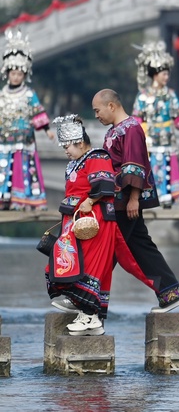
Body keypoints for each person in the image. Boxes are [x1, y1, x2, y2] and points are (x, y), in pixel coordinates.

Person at [92, 89, 179, 312]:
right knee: (140, 247)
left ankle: (86, 296)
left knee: (108, 249)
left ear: (111, 106)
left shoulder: (131, 128)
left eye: (98, 110)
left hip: (124, 201)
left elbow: (135, 164)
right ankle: (171, 292)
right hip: (117, 199)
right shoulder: (116, 130)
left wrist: (134, 198)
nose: (96, 115)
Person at [46, 115, 120, 336]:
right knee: (69, 263)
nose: (65, 151)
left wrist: (90, 200)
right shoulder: (76, 162)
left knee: (88, 266)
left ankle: (90, 316)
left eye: (67, 145)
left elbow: (105, 183)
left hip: (93, 221)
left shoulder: (96, 157)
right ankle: (85, 312)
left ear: (79, 142)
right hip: (75, 221)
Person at [132, 41, 179, 208]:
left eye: (167, 74)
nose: (166, 77)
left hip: (167, 136)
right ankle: (151, 197)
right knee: (151, 167)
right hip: (150, 138)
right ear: (155, 74)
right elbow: (137, 118)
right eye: (164, 74)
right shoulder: (143, 96)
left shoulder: (170, 95)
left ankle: (167, 198)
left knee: (167, 167)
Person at [0, 29, 54, 210]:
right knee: (3, 169)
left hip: (24, 140)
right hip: (4, 140)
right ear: (7, 73)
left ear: (24, 74)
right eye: (13, 73)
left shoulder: (29, 94)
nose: (15, 76)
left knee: (23, 170)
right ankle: (4, 200)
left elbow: (38, 112)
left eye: (19, 74)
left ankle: (23, 200)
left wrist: (47, 131)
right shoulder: (2, 95)